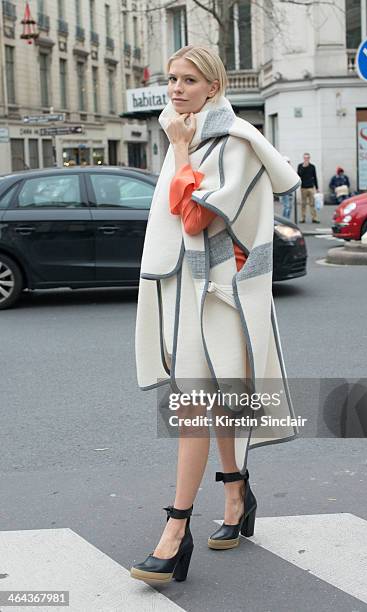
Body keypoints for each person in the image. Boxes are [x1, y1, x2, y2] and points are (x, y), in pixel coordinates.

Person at [131, 45, 301, 584]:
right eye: (171, 79)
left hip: (221, 297)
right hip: (187, 292)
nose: (175, 88)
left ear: (214, 86)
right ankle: (236, 494)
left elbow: (195, 218)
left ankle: (175, 531)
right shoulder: (184, 135)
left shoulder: (235, 143)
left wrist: (180, 153)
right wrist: (180, 148)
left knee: (198, 408)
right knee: (209, 404)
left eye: (188, 79)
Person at [297, 153, 320, 223]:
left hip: (311, 187)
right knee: (303, 204)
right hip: (303, 187)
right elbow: (298, 175)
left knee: (312, 203)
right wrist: (303, 167)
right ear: (303, 158)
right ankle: (302, 218)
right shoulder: (300, 166)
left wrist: (317, 187)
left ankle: (314, 218)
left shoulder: (312, 166)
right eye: (305, 158)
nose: (306, 159)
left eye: (307, 158)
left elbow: (315, 177)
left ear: (309, 158)